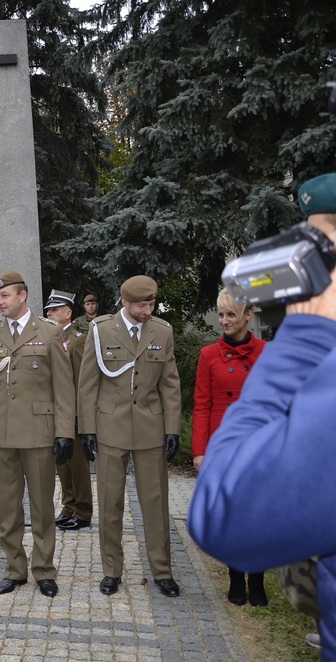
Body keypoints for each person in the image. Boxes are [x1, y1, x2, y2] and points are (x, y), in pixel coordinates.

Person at [188, 172, 336, 650]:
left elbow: (223, 518)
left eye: (325, 243)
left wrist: (305, 335)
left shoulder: (302, 346)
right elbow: (203, 402)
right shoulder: (211, 354)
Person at [78, 275, 182, 597]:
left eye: (151, 303)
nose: (147, 310)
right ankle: (112, 570)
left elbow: (170, 384)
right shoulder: (102, 330)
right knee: (110, 504)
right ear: (125, 302)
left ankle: (162, 571)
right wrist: (88, 429)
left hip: (150, 428)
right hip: (111, 428)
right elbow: (88, 383)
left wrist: (172, 429)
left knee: (155, 504)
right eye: (141, 305)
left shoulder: (162, 331)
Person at [0, 273, 76, 598]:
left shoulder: (49, 333)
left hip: (38, 434)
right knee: (8, 507)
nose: (0, 302)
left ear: (23, 296)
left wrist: (65, 432)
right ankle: (15, 569)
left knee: (42, 506)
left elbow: (63, 387)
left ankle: (44, 570)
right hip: (2, 433)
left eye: (5, 295)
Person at [190, 289, 266, 606]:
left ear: (248, 315)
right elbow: (202, 405)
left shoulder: (267, 352)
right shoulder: (209, 355)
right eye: (221, 315)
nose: (224, 321)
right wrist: (199, 451)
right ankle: (236, 579)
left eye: (231, 315)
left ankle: (257, 580)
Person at [44, 290, 93, 531]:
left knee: (77, 465)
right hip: (54, 411)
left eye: (54, 310)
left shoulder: (78, 339)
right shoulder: (50, 337)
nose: (50, 314)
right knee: (62, 463)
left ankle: (83, 511)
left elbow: (80, 381)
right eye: (48, 311)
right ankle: (69, 506)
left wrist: (78, 416)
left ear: (68, 312)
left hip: (72, 413)